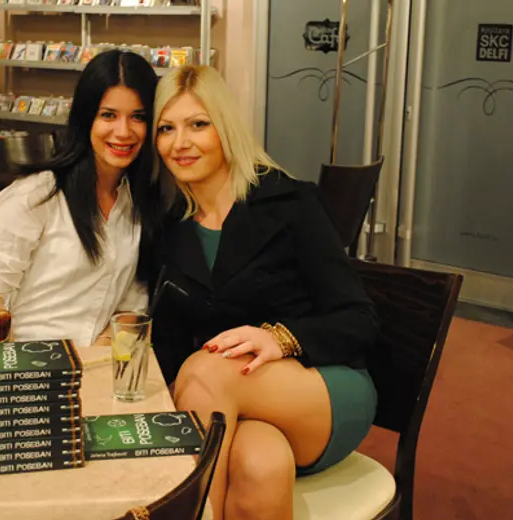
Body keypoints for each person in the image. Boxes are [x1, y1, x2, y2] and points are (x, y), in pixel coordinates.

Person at [146, 65, 380, 520]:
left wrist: (281, 338)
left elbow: (360, 319)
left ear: (226, 128)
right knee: (260, 466)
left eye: (198, 124)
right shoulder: (171, 227)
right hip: (233, 404)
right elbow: (170, 339)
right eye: (166, 129)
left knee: (205, 371)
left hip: (320, 385)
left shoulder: (289, 203)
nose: (180, 143)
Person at [0, 49, 158, 347]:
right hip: (26, 359)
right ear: (86, 118)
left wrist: (99, 354)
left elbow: (132, 304)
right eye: (108, 115)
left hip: (98, 362)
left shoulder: (139, 202)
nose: (123, 131)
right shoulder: (36, 195)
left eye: (138, 117)